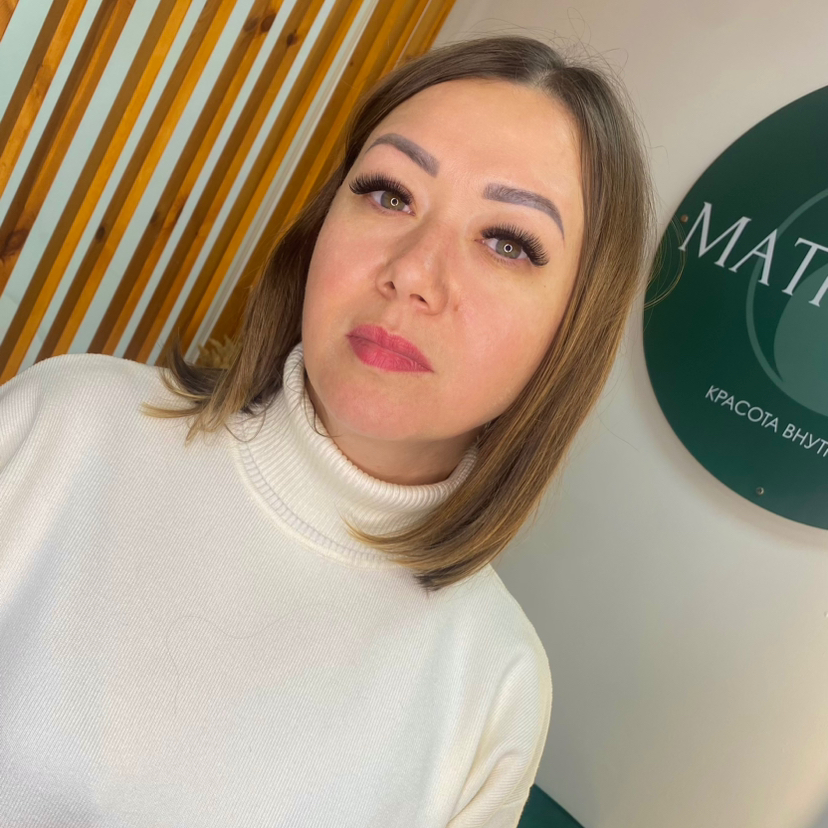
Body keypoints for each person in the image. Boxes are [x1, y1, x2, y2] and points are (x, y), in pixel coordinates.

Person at [0, 34, 656, 827]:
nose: (411, 272)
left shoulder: (495, 682)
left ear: (571, 331)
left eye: (507, 243)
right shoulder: (68, 426)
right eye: (389, 193)